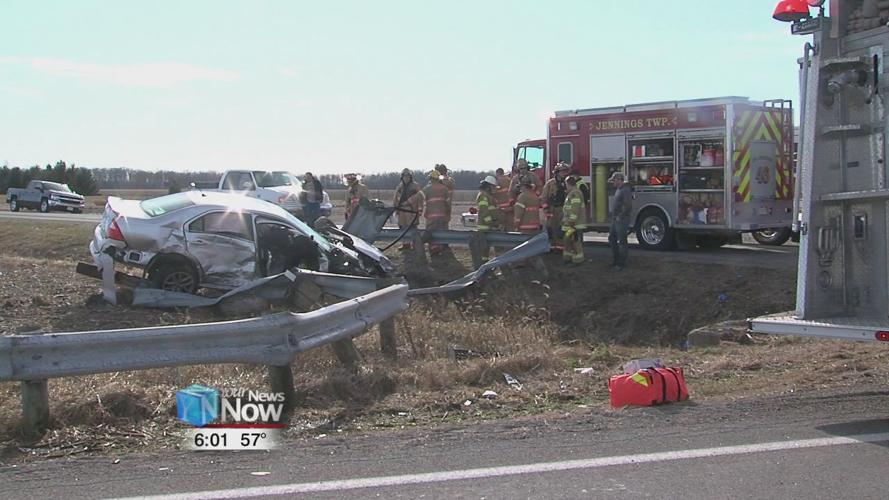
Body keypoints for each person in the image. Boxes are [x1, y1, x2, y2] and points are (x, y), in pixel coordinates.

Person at [540, 162, 570, 250]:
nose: (565, 173)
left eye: (565, 171)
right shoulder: (550, 184)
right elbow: (544, 198)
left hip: (563, 210)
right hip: (552, 210)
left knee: (561, 230)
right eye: (562, 171)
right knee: (550, 229)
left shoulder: (567, 183)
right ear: (557, 172)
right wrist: (546, 210)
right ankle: (552, 248)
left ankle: (561, 249)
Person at [393, 169, 424, 251]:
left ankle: (415, 244)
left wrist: (419, 210)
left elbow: (420, 198)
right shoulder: (400, 187)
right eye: (404, 176)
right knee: (402, 227)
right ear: (402, 177)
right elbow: (396, 198)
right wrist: (396, 209)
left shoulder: (415, 186)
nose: (406, 178)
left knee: (412, 228)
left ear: (411, 177)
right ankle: (405, 244)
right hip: (402, 211)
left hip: (412, 211)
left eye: (408, 176)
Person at [423, 169, 451, 255]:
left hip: (431, 216)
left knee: (431, 234)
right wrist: (448, 215)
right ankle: (439, 250)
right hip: (442, 216)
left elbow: (423, 202)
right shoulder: (445, 189)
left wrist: (425, 213)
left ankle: (433, 251)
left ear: (431, 178)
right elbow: (448, 204)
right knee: (440, 234)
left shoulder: (426, 189)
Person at [609, 172, 632, 270]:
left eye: (613, 180)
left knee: (622, 240)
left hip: (621, 219)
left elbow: (628, 205)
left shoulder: (625, 190)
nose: (612, 182)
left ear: (619, 180)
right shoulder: (619, 189)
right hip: (616, 219)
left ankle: (622, 263)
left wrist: (620, 215)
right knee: (612, 238)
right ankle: (616, 260)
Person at [561, 176, 587, 266]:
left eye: (566, 184)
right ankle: (568, 258)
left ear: (568, 184)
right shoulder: (572, 193)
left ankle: (578, 260)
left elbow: (575, 208)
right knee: (567, 239)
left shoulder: (575, 193)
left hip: (575, 224)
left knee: (575, 241)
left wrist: (571, 220)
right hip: (571, 224)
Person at [475, 175, 499, 263]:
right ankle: (482, 265)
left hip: (487, 226)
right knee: (483, 248)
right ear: (488, 186)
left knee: (486, 249)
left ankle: (484, 263)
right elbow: (484, 211)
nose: (494, 189)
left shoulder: (488, 195)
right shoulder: (483, 196)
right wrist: (492, 222)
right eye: (493, 187)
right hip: (484, 227)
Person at [434, 164, 455, 228]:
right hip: (445, 206)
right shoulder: (449, 180)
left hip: (438, 207)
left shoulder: (440, 180)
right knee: (444, 225)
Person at [494, 167, 513, 232]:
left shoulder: (497, 182)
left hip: (502, 208)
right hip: (510, 206)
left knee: (502, 224)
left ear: (497, 173)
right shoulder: (510, 180)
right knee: (510, 224)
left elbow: (494, 194)